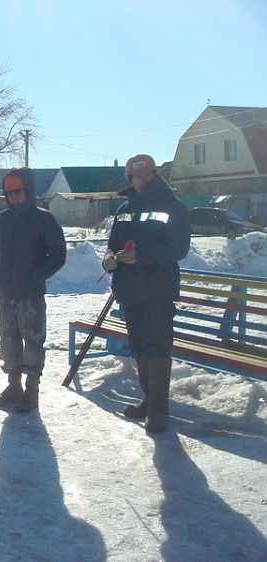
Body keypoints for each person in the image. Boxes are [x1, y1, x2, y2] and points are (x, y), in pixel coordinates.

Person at [102, 154, 191, 432]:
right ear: (129, 178)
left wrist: (140, 257)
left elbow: (178, 249)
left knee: (157, 348)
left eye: (147, 174)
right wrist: (109, 258)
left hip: (157, 291)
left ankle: (158, 410)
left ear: (155, 175)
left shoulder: (173, 207)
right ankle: (148, 400)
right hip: (130, 291)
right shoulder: (125, 209)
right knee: (139, 347)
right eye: (137, 176)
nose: (142, 179)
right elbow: (112, 243)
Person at [0, 168, 67, 412]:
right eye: (9, 193)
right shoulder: (3, 220)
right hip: (5, 294)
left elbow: (58, 255)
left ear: (28, 192)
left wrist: (36, 275)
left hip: (30, 295)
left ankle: (31, 391)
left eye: (17, 192)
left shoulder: (44, 220)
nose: (13, 198)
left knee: (32, 342)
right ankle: (13, 386)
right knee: (9, 342)